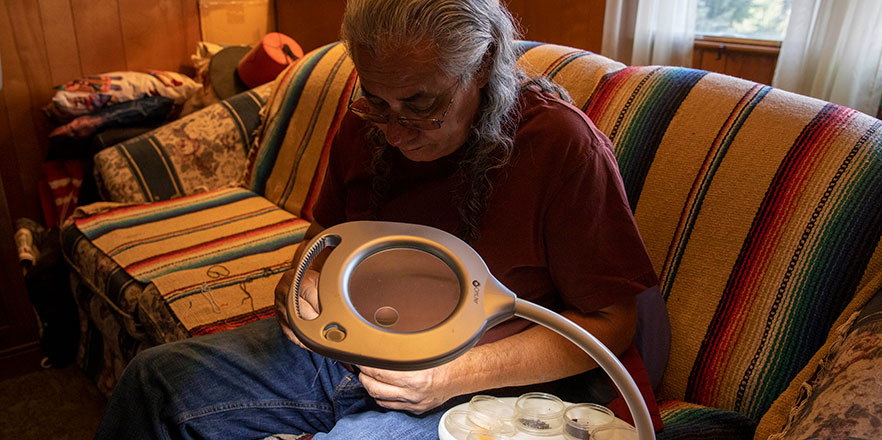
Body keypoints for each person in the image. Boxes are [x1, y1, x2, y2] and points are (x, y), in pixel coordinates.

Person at [94, 0, 670, 439]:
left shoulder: (559, 146)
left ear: (485, 65)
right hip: (346, 346)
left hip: (489, 375)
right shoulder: (367, 123)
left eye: (421, 105)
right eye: (377, 100)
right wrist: (305, 287)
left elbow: (611, 324)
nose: (393, 131)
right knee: (154, 382)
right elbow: (322, 240)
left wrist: (451, 376)